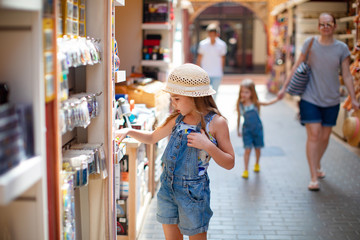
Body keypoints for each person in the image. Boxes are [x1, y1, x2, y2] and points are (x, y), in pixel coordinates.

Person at [116, 63, 235, 239]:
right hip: (167, 189)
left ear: (194, 96)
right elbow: (152, 137)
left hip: (193, 193)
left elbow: (230, 162)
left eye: (177, 98)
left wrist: (207, 145)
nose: (173, 103)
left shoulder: (216, 123)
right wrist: (128, 131)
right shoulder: (177, 119)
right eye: (172, 98)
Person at [278, 13, 360, 191]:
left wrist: (353, 98)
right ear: (318, 26)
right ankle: (313, 175)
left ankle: (317, 162)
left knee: (324, 137)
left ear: (334, 26)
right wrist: (284, 88)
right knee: (314, 135)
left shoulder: (342, 48)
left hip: (331, 99)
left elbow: (346, 74)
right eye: (322, 24)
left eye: (329, 24)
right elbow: (296, 66)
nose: (325, 27)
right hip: (310, 98)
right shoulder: (310, 44)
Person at [236, 79, 278, 179]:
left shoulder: (256, 103)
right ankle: (246, 169)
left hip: (257, 129)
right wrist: (238, 130)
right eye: (242, 92)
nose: (244, 94)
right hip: (247, 131)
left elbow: (267, 103)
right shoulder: (240, 105)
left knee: (258, 148)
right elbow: (238, 117)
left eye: (246, 92)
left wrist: (277, 99)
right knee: (247, 150)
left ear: (252, 92)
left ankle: (257, 164)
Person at [196, 23, 227, 100]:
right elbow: (199, 58)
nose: (212, 36)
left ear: (217, 34)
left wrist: (222, 71)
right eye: (210, 34)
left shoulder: (222, 45)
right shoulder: (203, 44)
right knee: (205, 94)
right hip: (205, 73)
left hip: (217, 73)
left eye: (213, 34)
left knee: (215, 94)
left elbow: (223, 59)